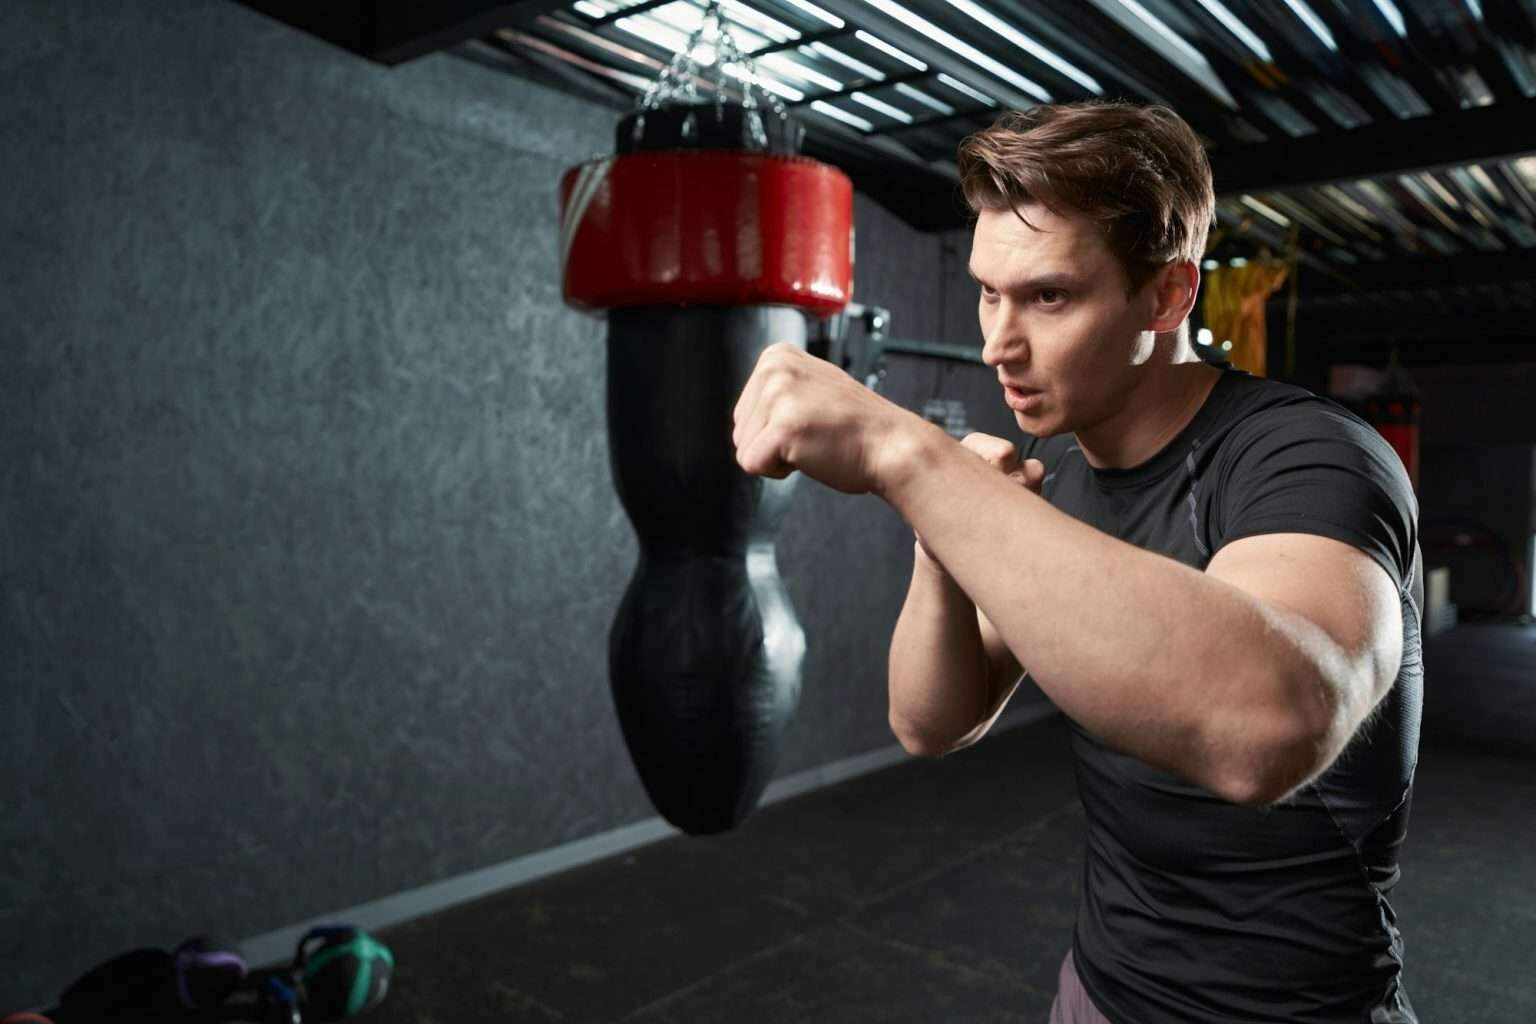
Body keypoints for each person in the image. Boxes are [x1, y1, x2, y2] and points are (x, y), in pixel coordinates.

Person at [730, 101, 1422, 1023]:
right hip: (1098, 992)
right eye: (988, 291)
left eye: (1049, 297)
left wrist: (907, 454)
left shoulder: (1306, 458)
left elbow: (1265, 727)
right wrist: (942, 534)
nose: (996, 343)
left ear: (1170, 295)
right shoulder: (1054, 472)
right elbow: (933, 720)